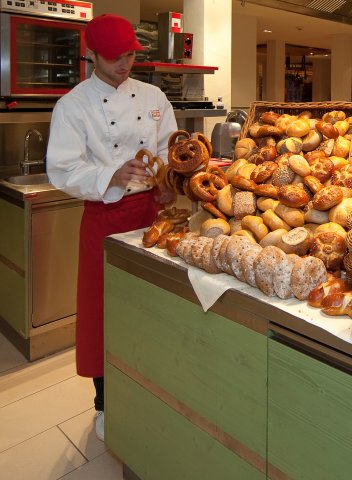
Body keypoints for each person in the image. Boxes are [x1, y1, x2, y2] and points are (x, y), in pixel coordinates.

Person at [46, 14, 177, 442]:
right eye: (115, 57)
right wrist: (112, 175)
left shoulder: (154, 95)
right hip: (105, 216)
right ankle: (104, 402)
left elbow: (166, 150)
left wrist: (167, 186)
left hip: (153, 217)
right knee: (102, 311)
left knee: (153, 305)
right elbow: (62, 170)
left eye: (130, 55)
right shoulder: (74, 105)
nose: (125, 64)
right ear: (92, 55)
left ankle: (153, 384)